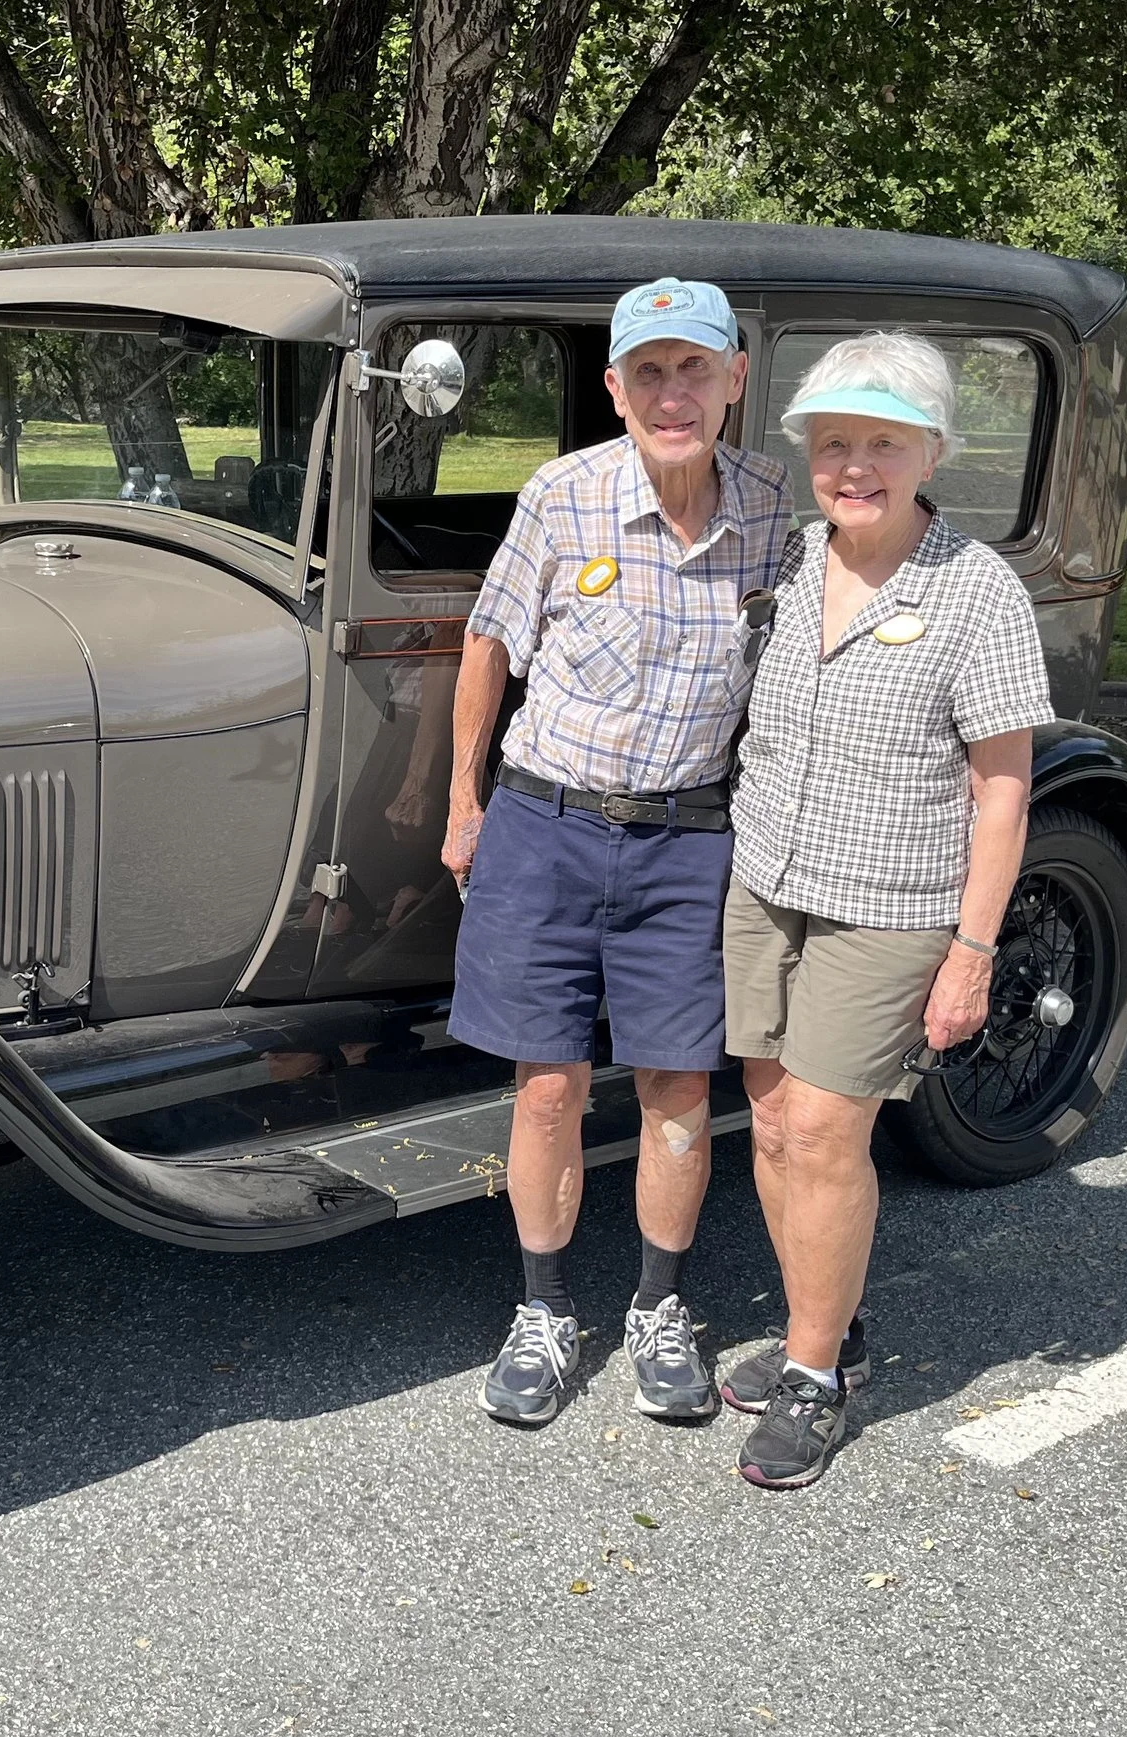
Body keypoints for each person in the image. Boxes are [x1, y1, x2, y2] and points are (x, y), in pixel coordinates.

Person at [444, 278, 794, 1427]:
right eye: (647, 372)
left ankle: (657, 1306)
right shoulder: (563, 495)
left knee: (677, 1085)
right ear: (614, 389)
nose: (672, 393)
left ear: (735, 377)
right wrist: (464, 804)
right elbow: (489, 646)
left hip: (689, 837)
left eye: (693, 368)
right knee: (545, 1083)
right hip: (544, 825)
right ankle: (543, 1311)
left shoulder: (772, 511)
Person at [716, 331, 1053, 1487]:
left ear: (930, 452)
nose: (854, 464)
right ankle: (830, 1323)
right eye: (834, 441)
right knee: (765, 1126)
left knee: (823, 1131)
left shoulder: (974, 591)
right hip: (766, 883)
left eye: (882, 443)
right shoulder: (798, 561)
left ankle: (814, 1376)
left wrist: (971, 952)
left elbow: (1001, 790)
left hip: (890, 903)